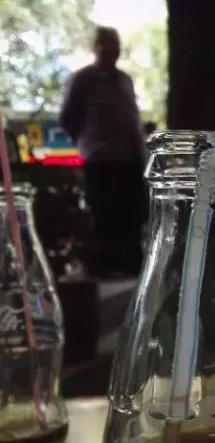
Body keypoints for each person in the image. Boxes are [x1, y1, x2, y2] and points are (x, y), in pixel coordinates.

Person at [59, 26, 146, 277]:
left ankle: (134, 266)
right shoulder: (82, 79)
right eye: (105, 44)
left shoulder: (125, 80)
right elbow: (68, 117)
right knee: (104, 212)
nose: (111, 49)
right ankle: (107, 265)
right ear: (95, 47)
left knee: (131, 213)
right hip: (100, 159)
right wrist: (88, 142)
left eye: (114, 44)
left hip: (130, 158)